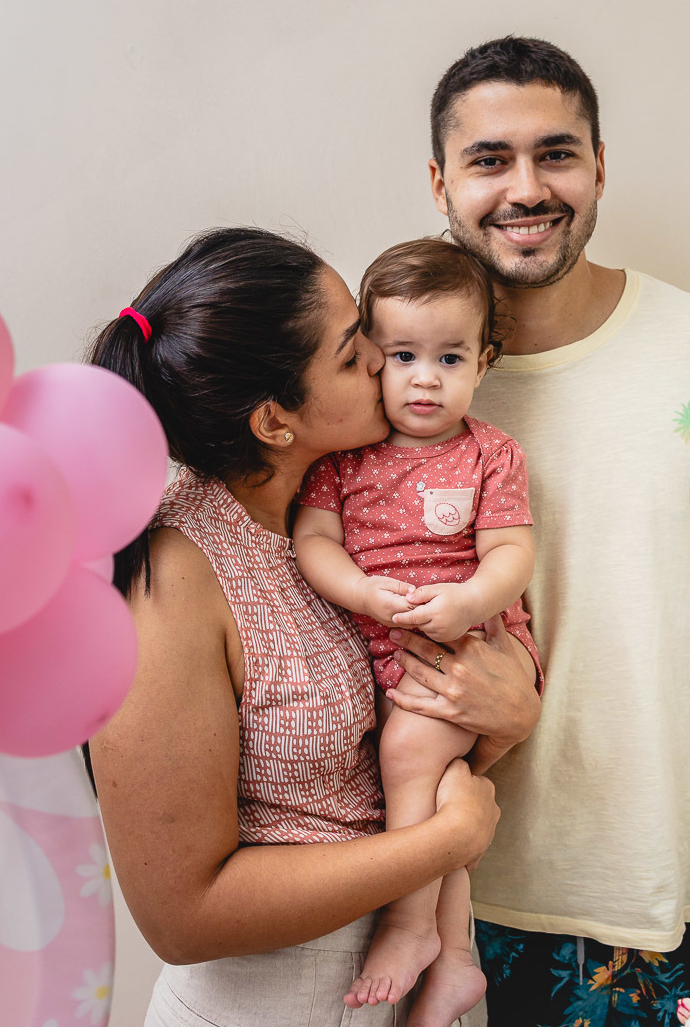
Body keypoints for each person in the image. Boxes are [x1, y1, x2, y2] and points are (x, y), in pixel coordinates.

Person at [404, 36, 690, 1025]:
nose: (526, 187)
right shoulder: (404, 382)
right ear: (439, 181)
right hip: (473, 898)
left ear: (598, 166)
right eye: (489, 158)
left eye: (557, 153)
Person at [87, 225, 541, 1027]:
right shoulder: (173, 579)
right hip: (270, 1003)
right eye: (351, 352)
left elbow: (397, 734)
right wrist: (445, 842)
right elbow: (181, 916)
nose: (381, 358)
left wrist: (508, 717)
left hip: (406, 982)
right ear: (273, 422)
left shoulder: (353, 515)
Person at [294, 237, 542, 1027]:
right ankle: (457, 959)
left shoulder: (488, 455)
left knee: (408, 755)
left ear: (483, 361)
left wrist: (472, 600)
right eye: (402, 355)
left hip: (476, 648)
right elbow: (313, 543)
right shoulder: (344, 457)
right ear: (372, 356)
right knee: (436, 793)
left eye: (449, 358)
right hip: (394, 650)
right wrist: (362, 591)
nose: (425, 379)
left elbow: (512, 551)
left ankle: (407, 928)